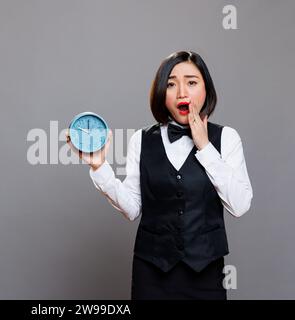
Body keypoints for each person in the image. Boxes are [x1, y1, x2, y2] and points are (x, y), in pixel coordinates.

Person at [66, 51, 253, 300]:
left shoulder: (227, 138)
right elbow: (132, 209)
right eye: (171, 84)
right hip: (151, 275)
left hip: (206, 275)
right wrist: (99, 168)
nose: (182, 92)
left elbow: (240, 205)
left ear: (206, 89)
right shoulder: (141, 140)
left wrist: (205, 147)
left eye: (192, 82)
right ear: (161, 94)